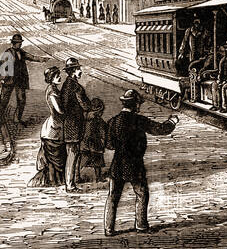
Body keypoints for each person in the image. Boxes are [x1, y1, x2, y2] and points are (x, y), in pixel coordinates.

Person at [104, 89, 178, 235]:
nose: (139, 106)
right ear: (135, 105)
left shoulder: (113, 121)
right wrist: (172, 122)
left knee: (113, 196)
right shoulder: (138, 120)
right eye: (138, 104)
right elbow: (160, 129)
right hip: (134, 164)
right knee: (142, 193)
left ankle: (108, 228)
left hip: (117, 164)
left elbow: (109, 145)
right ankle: (141, 225)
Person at [0, 33, 45, 126]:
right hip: (9, 80)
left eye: (20, 42)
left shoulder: (21, 52)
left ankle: (17, 118)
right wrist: (2, 78)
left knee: (21, 100)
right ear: (13, 43)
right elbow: (2, 66)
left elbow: (31, 57)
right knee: (3, 100)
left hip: (20, 80)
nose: (20, 44)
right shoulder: (7, 53)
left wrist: (43, 59)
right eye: (18, 43)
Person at [29, 67, 68, 187]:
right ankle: (53, 180)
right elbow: (60, 110)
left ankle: (57, 180)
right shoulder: (52, 91)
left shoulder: (54, 89)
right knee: (56, 155)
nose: (59, 77)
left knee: (59, 154)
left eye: (59, 75)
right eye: (56, 76)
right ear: (51, 78)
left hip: (55, 125)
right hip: (54, 128)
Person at [60, 57, 93, 191]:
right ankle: (70, 184)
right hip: (74, 124)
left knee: (73, 152)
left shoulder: (66, 85)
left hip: (69, 123)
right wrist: (92, 107)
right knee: (73, 154)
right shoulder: (76, 87)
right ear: (73, 71)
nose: (81, 71)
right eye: (79, 69)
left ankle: (75, 178)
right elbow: (85, 105)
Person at [75, 98, 109, 182]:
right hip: (95, 145)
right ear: (99, 110)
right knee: (97, 162)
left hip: (84, 144)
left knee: (81, 161)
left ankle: (77, 177)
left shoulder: (84, 118)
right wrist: (103, 142)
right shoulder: (99, 121)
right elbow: (103, 132)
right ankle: (98, 177)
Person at [175, 18, 209, 96]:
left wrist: (207, 51)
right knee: (192, 70)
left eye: (198, 23)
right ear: (193, 23)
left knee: (199, 70)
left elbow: (208, 42)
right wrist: (181, 52)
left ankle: (196, 92)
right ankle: (192, 91)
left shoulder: (205, 31)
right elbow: (184, 42)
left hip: (202, 55)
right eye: (195, 23)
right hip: (192, 55)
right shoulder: (189, 31)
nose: (197, 24)